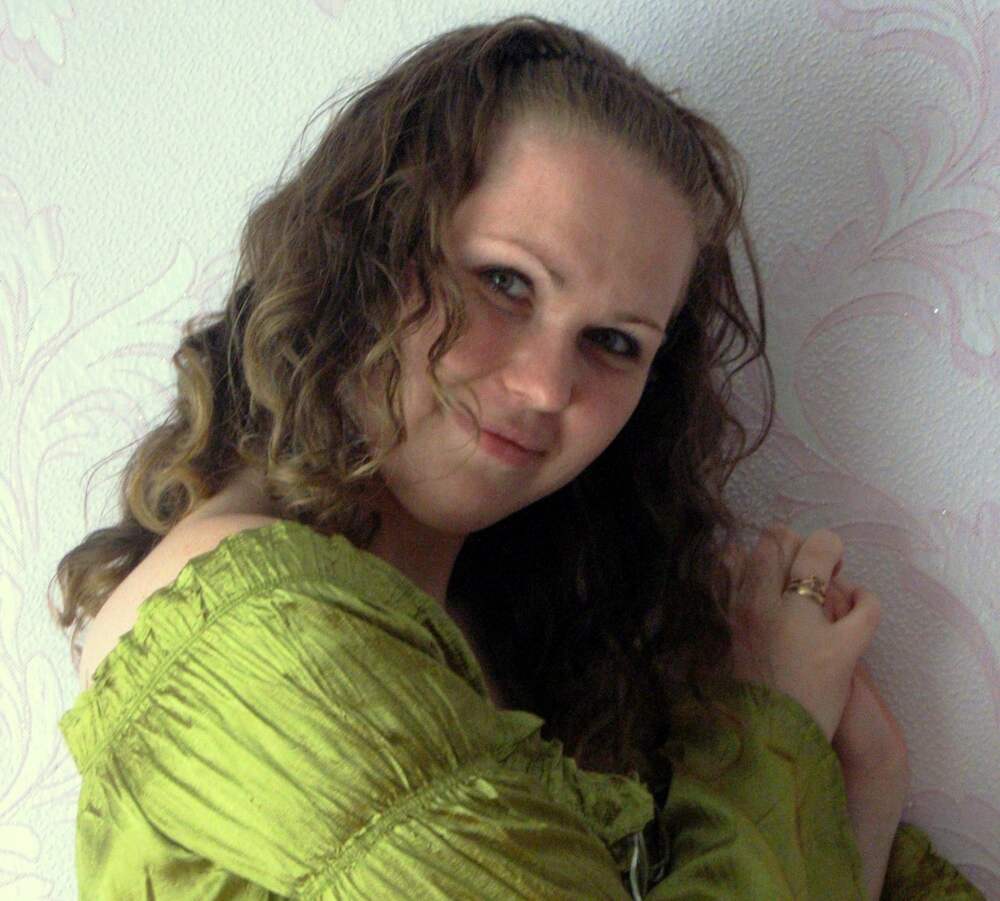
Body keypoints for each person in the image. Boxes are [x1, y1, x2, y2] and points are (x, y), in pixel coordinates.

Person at [52, 14, 983, 900]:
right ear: (367, 251)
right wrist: (773, 722)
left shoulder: (532, 642)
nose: (545, 386)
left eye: (613, 343)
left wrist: (865, 786)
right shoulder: (251, 625)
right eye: (505, 282)